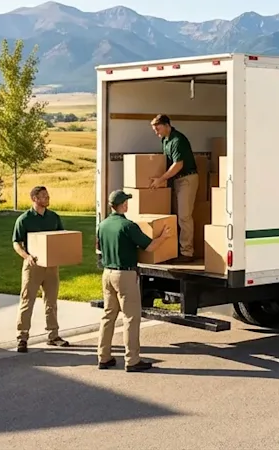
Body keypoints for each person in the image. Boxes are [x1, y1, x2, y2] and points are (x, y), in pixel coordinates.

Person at [96, 190, 172, 371]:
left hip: (107, 273)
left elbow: (98, 246)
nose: (128, 204)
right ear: (123, 205)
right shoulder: (128, 226)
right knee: (131, 317)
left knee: (108, 316)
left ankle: (103, 357)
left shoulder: (103, 225)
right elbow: (151, 246)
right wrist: (164, 236)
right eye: (127, 202)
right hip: (125, 275)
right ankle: (132, 360)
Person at [11, 185, 71, 353]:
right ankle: (22, 338)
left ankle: (53, 336)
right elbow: (16, 242)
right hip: (33, 266)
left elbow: (61, 238)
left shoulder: (54, 217)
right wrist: (26, 256)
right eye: (43, 196)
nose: (47, 198)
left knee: (51, 301)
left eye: (47, 195)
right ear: (34, 199)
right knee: (27, 300)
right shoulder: (24, 219)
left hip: (51, 266)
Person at [148, 114, 199, 261]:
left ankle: (187, 252)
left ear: (167, 125)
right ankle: (176, 249)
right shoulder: (165, 140)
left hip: (186, 179)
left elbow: (178, 164)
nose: (156, 133)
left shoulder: (178, 140)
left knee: (184, 216)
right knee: (176, 216)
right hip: (176, 180)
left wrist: (161, 179)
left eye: (158, 129)